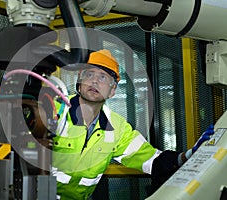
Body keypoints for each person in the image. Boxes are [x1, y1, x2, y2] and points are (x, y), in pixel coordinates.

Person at [51, 49, 214, 200]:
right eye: (89, 74)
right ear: (79, 83)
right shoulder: (53, 111)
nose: (94, 81)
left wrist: (189, 155)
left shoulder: (117, 127)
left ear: (112, 90)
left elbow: (151, 160)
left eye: (102, 77)